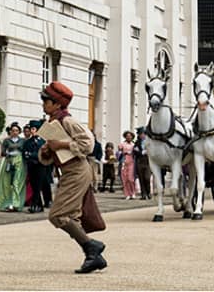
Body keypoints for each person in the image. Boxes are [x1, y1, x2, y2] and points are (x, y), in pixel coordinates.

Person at [37, 81, 107, 274]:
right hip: (68, 171)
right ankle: (93, 256)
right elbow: (49, 159)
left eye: (47, 101)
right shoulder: (52, 123)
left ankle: (92, 246)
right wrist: (46, 151)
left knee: (58, 215)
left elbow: (88, 144)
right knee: (71, 216)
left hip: (77, 170)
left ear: (58, 104)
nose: (44, 104)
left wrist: (61, 145)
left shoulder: (68, 121)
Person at [0, 122, 27, 212]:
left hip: (20, 162)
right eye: (13, 130)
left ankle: (16, 203)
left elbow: (25, 150)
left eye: (16, 130)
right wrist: (8, 153)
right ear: (10, 132)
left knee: (17, 182)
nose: (15, 132)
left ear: (19, 131)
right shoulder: (6, 141)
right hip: (9, 161)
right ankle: (7, 203)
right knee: (7, 183)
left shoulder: (23, 141)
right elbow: (3, 152)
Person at [23, 119, 48, 213]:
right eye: (31, 129)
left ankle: (34, 205)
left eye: (33, 129)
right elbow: (25, 153)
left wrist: (32, 155)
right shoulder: (28, 142)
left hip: (41, 166)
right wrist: (32, 155)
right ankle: (40, 206)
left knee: (38, 186)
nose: (32, 131)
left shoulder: (43, 142)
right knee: (34, 186)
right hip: (31, 166)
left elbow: (42, 154)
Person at [133, 128, 151, 200]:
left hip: (147, 162)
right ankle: (143, 194)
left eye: (143, 134)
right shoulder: (137, 142)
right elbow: (135, 151)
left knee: (147, 178)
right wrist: (141, 152)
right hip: (140, 161)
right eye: (141, 134)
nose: (142, 135)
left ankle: (148, 192)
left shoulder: (149, 142)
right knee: (141, 178)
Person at [118, 130, 136, 200]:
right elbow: (119, 151)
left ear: (132, 137)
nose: (128, 137)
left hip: (131, 161)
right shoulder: (122, 144)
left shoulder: (133, 144)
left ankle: (133, 192)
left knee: (130, 178)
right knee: (124, 178)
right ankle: (127, 194)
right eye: (127, 136)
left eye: (130, 136)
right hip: (124, 161)